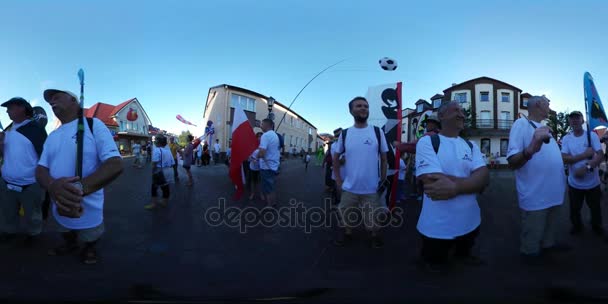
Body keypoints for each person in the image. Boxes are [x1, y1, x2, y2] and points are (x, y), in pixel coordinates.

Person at [36, 89, 123, 264]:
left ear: (74, 101)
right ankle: (70, 244)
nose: (52, 101)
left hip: (89, 204)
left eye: (57, 96)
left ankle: (90, 247)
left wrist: (78, 189)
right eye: (50, 99)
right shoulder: (52, 136)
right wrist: (52, 186)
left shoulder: (94, 125)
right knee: (64, 228)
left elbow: (115, 164)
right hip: (59, 201)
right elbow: (40, 169)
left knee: (91, 233)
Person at [415, 101, 489, 272]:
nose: (462, 114)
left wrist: (455, 188)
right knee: (435, 266)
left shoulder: (471, 146)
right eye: (456, 110)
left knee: (464, 253)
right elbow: (431, 180)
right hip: (437, 227)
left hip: (470, 222)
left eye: (463, 111)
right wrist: (472, 181)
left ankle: (463, 255)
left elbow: (484, 176)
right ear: (441, 116)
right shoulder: (428, 142)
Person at [507, 95, 569, 265]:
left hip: (553, 194)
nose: (549, 106)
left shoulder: (544, 127)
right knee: (532, 238)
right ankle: (530, 264)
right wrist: (531, 149)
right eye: (548, 103)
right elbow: (512, 161)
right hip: (536, 196)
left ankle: (548, 247)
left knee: (549, 232)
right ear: (538, 105)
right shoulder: (521, 124)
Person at [332, 96, 389, 249]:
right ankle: (347, 234)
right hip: (349, 187)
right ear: (351, 111)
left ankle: (374, 236)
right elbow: (335, 158)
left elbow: (384, 159)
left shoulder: (377, 132)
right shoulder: (345, 134)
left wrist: (382, 179)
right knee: (345, 216)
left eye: (366, 106)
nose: (363, 108)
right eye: (359, 106)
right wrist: (338, 180)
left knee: (373, 219)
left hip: (371, 188)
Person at [0, 97, 48, 246]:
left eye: (10, 107)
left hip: (30, 183)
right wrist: (1, 143)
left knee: (32, 213)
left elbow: (45, 157)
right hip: (6, 181)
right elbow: (3, 154)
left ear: (22, 108)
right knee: (8, 212)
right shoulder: (8, 129)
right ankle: (9, 231)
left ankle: (33, 233)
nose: (7, 110)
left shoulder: (36, 129)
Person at [561, 111, 604, 236]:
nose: (574, 120)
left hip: (593, 183)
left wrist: (587, 167)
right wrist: (584, 155)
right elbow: (564, 158)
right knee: (575, 209)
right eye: (572, 118)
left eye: (577, 118)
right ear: (569, 122)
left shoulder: (592, 136)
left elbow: (600, 156)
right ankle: (577, 226)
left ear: (582, 120)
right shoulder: (567, 138)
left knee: (595, 208)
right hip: (574, 183)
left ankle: (597, 226)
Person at [145, 135, 175, 210]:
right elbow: (172, 163)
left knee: (154, 187)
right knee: (165, 187)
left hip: (159, 172)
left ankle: (153, 204)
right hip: (168, 171)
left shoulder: (157, 150)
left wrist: (152, 171)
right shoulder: (168, 151)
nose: (154, 141)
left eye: (155, 140)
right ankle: (164, 202)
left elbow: (154, 163)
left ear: (158, 142)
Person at [258, 118, 281, 207]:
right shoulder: (275, 135)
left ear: (267, 125)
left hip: (266, 167)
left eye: (262, 124)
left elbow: (262, 152)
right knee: (271, 186)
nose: (261, 126)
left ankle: (269, 205)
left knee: (268, 187)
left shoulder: (265, 135)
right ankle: (273, 202)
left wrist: (256, 155)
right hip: (273, 165)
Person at [248, 132, 264, 201]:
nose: (259, 138)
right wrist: (252, 159)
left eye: (261, 137)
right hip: (253, 167)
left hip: (261, 167)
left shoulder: (264, 145)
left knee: (259, 182)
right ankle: (252, 193)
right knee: (252, 181)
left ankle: (261, 194)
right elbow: (248, 157)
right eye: (258, 136)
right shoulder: (252, 146)